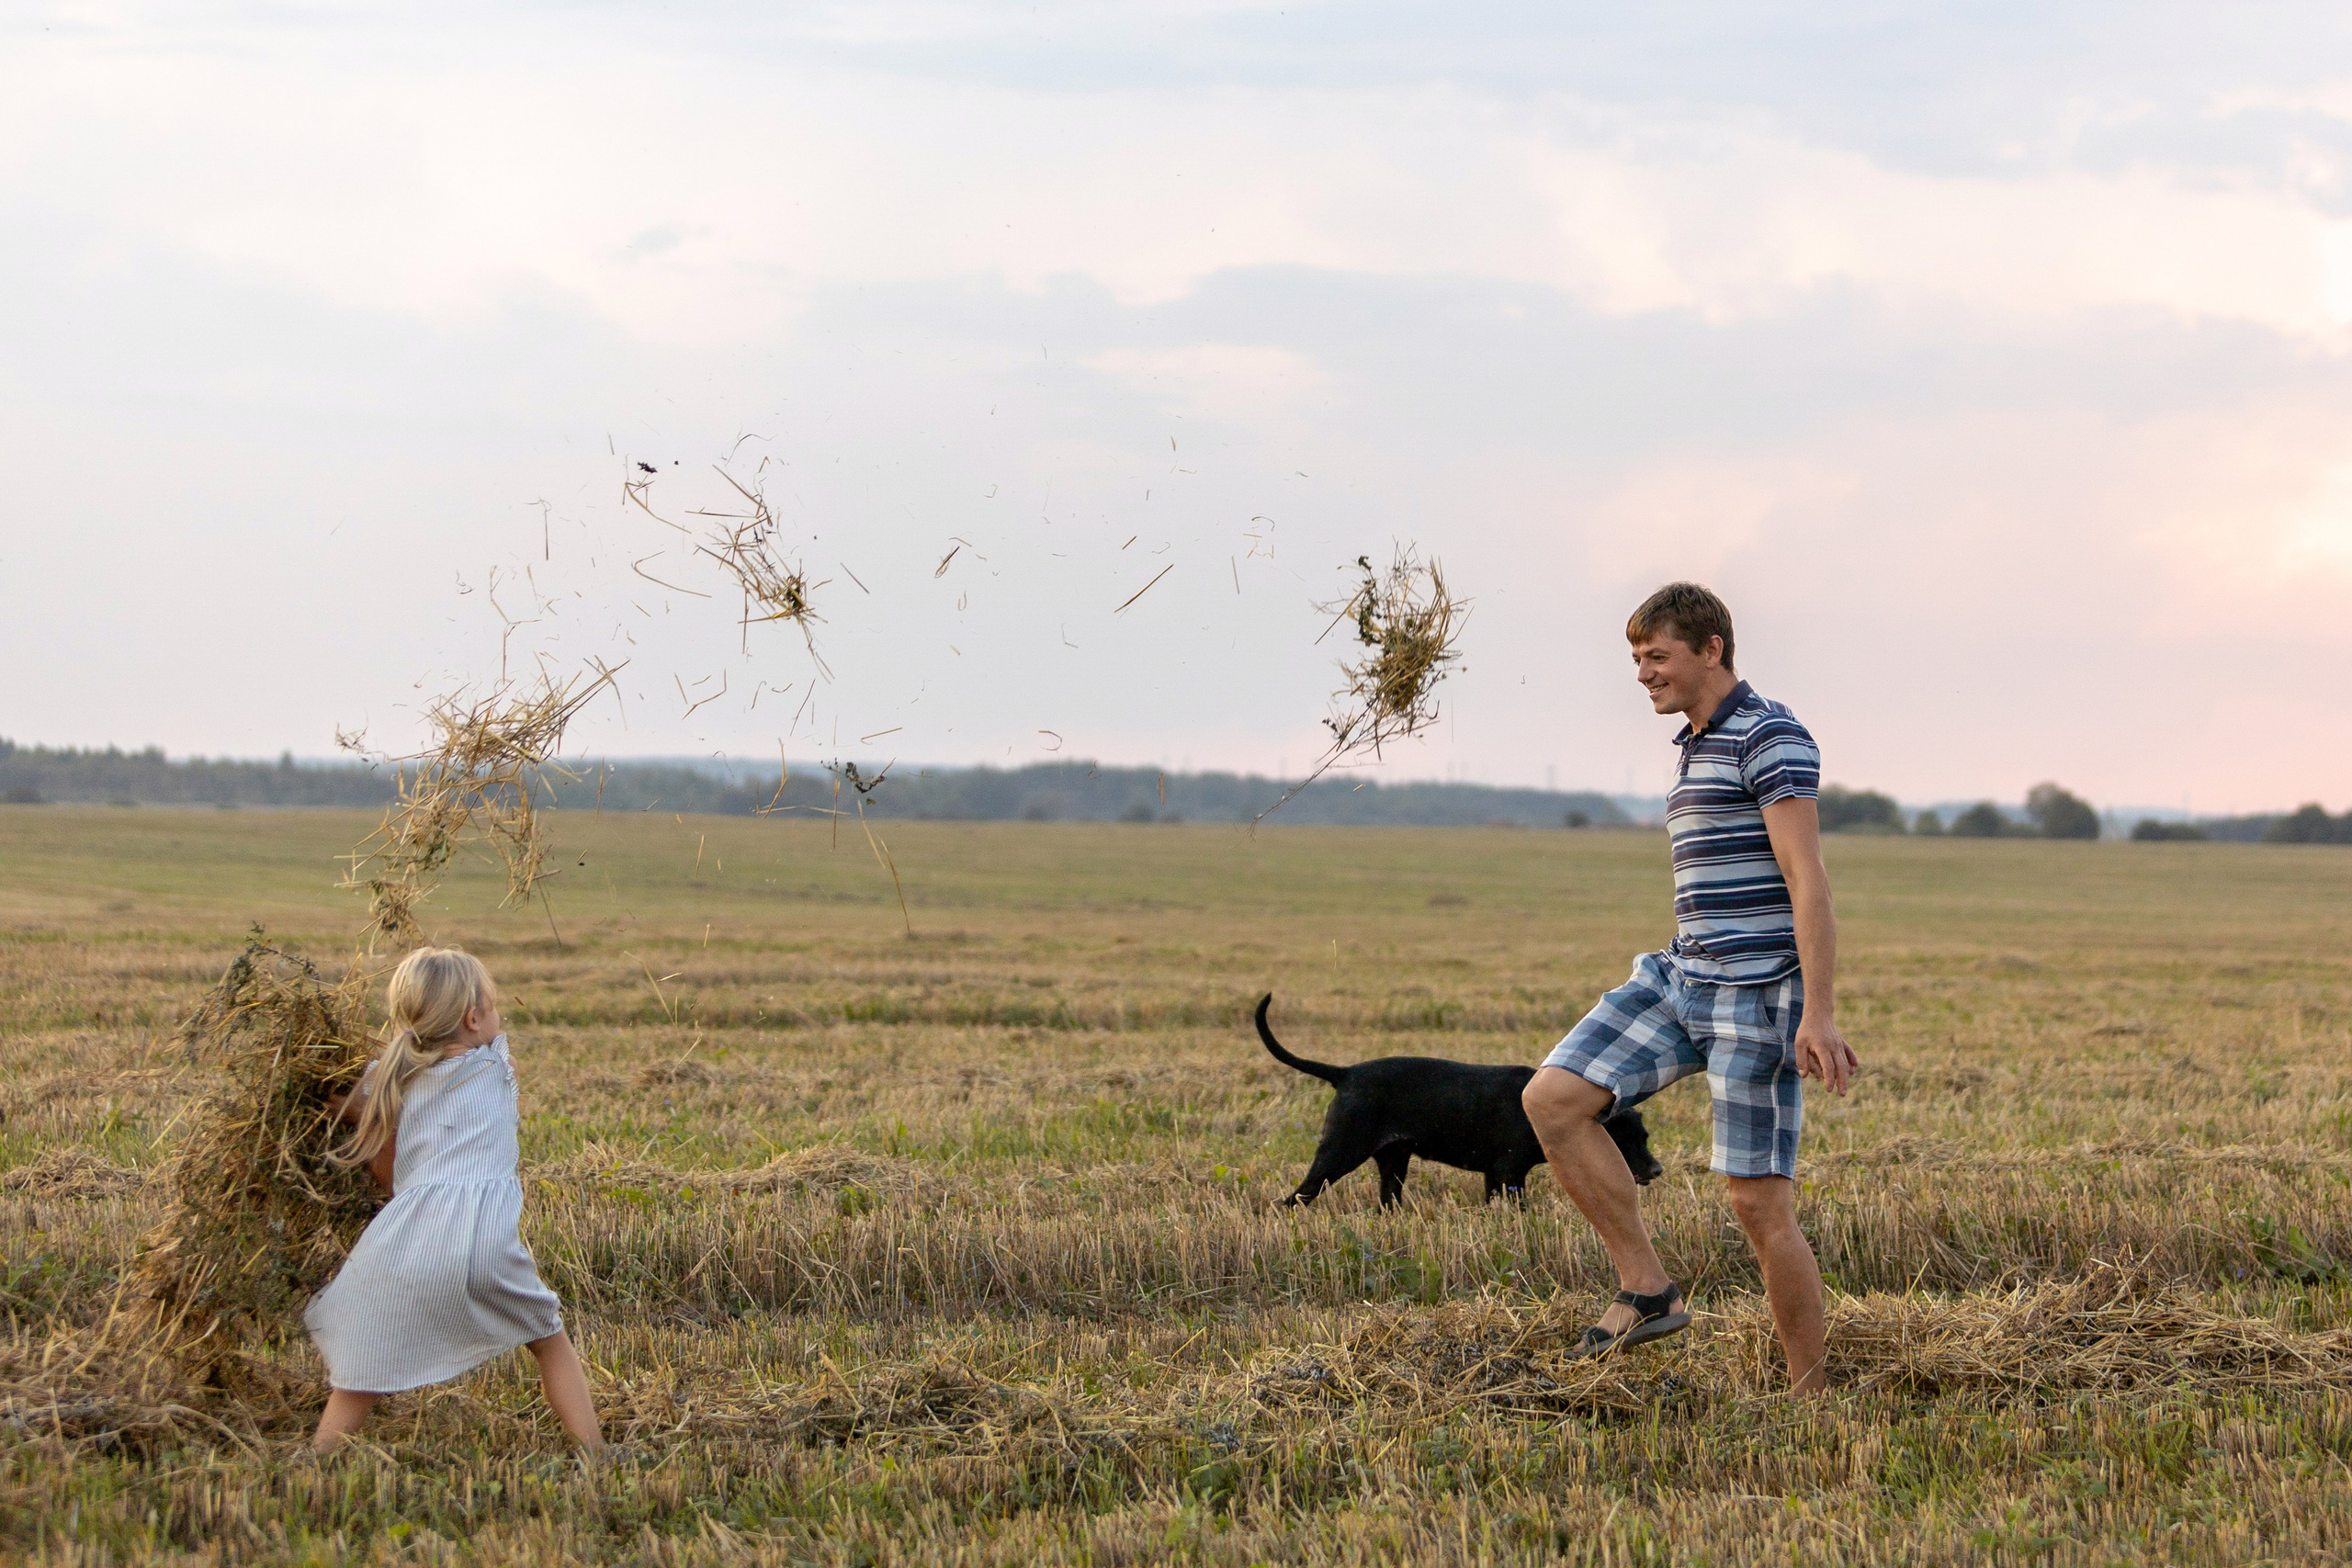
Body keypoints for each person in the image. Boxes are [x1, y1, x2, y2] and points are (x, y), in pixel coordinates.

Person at [1521, 582, 1859, 1393]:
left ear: (1711, 649)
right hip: (1680, 977)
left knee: (1757, 1205)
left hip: (1757, 993)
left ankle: (1809, 1393)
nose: (1643, 673)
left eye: (1657, 655)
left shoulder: (1769, 734)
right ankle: (1646, 1286)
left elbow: (1805, 879)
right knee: (1552, 1099)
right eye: (1636, 658)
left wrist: (1817, 1011)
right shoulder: (1695, 740)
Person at [303, 946, 605, 1452]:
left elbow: (395, 1184)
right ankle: (595, 1452)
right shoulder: (493, 1067)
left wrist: (357, 1111)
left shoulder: (388, 1083)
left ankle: (318, 1458)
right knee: (549, 1340)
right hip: (486, 1244)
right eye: (493, 1005)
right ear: (473, 1017)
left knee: (363, 1368)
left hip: (407, 1245)